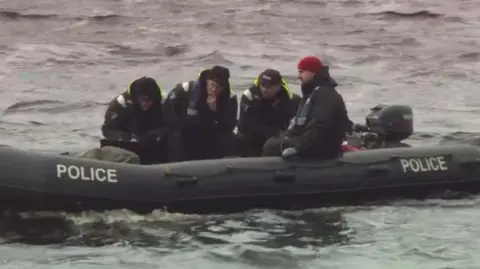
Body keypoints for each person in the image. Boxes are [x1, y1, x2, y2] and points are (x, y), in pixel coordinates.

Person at [262, 56, 352, 160]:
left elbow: (320, 127)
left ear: (312, 72)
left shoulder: (325, 95)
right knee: (273, 141)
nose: (298, 76)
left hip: (323, 148)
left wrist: (298, 147)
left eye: (301, 72)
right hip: (309, 142)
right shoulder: (312, 92)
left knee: (272, 146)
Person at [163, 65, 238, 161]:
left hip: (212, 135)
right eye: (212, 85)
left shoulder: (230, 98)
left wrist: (214, 112)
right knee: (175, 136)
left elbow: (228, 127)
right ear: (207, 81)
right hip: (187, 132)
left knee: (231, 140)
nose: (214, 90)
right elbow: (169, 113)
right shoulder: (186, 90)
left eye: (219, 87)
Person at [101, 76, 169, 164]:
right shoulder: (121, 104)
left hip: (155, 145)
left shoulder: (165, 103)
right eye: (142, 100)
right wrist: (126, 138)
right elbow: (108, 129)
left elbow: (173, 126)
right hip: (128, 146)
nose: (145, 103)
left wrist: (155, 135)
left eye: (148, 101)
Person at [236, 69, 300, 157]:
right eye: (263, 85)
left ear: (278, 86)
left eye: (269, 87)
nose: (265, 89)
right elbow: (246, 126)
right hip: (252, 138)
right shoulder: (249, 97)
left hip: (277, 138)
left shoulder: (290, 99)